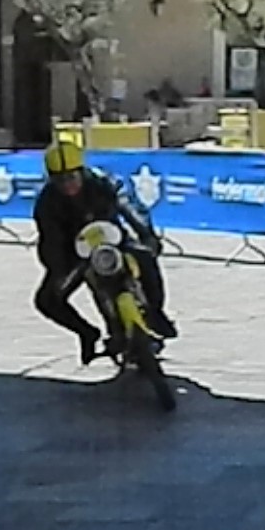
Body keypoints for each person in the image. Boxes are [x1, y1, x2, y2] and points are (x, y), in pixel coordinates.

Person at [32, 141, 177, 364]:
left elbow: (129, 205)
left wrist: (146, 234)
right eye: (60, 180)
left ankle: (156, 313)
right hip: (77, 254)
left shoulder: (103, 182)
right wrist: (59, 267)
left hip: (114, 241)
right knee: (46, 300)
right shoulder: (46, 203)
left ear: (82, 172)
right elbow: (50, 240)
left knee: (146, 259)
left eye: (71, 177)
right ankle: (87, 333)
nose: (67, 184)